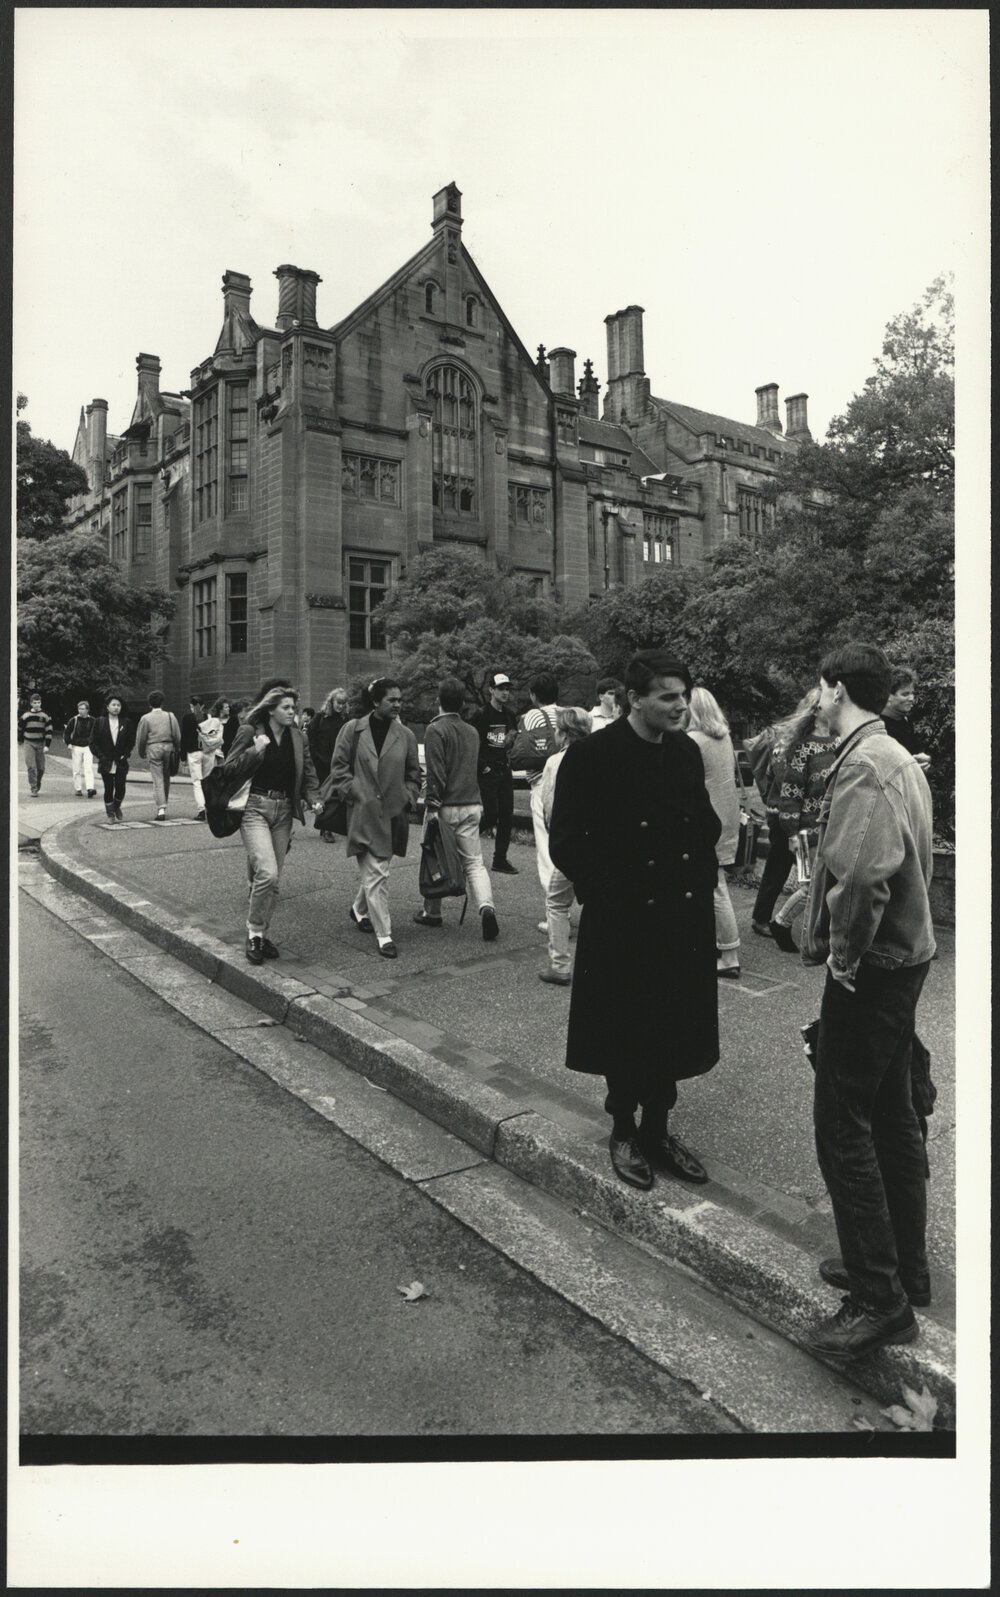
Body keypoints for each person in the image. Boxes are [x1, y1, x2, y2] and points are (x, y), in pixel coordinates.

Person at [800, 643, 936, 1362]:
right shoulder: (896, 754)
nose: (815, 704)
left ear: (838, 689)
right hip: (905, 961)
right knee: (890, 1114)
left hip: (874, 967)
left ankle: (878, 1299)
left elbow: (857, 879)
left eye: (819, 692)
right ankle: (901, 1270)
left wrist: (843, 963)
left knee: (842, 1124)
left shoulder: (863, 764)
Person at [549, 649, 720, 1190]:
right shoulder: (593, 756)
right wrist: (610, 894)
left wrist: (700, 879)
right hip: (623, 922)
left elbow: (704, 825)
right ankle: (624, 1128)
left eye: (683, 695)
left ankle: (659, 1129)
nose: (679, 706)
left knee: (671, 1026)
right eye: (667, 697)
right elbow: (567, 843)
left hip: (680, 916)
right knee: (626, 1028)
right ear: (634, 700)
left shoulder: (686, 753)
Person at [221, 685, 324, 965]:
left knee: (274, 879)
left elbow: (309, 771)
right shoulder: (249, 730)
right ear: (271, 709)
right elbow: (229, 767)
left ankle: (262, 934)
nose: (292, 712)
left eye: (294, 708)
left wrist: (313, 798)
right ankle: (254, 932)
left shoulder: (297, 737)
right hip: (254, 807)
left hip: (284, 811)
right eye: (286, 708)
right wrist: (256, 751)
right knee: (266, 873)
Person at [328, 678, 422, 960]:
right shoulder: (352, 730)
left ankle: (359, 909)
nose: (397, 704)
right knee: (378, 873)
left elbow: (414, 773)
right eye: (391, 699)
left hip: (393, 814)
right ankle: (384, 934)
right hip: (364, 813)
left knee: (376, 869)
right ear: (375, 701)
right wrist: (353, 792)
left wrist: (409, 795)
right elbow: (339, 767)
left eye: (399, 700)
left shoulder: (405, 735)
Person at [413, 676, 500, 941]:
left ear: (438, 701)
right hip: (472, 803)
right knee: (474, 862)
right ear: (462, 703)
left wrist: (431, 805)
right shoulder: (471, 731)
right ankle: (486, 906)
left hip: (446, 805)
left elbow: (436, 774)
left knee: (434, 856)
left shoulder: (435, 730)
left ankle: (433, 911)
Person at [747, 687, 821, 938]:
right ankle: (767, 919)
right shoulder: (798, 744)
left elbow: (770, 777)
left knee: (781, 867)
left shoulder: (785, 739)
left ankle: (766, 917)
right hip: (791, 818)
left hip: (778, 812)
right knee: (790, 870)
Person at [767, 699, 838, 952]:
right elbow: (791, 792)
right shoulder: (803, 748)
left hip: (834, 827)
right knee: (809, 887)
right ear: (817, 709)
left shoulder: (840, 741)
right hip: (808, 831)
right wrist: (792, 832)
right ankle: (781, 922)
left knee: (829, 885)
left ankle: (823, 937)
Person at [686, 686, 742, 979]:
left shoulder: (693, 740)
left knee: (715, 887)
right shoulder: (724, 737)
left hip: (705, 822)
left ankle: (729, 952)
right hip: (727, 818)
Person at [536, 707, 592, 985]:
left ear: (564, 733)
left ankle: (559, 965)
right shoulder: (601, 757)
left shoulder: (555, 762)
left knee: (556, 901)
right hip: (597, 841)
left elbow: (549, 807)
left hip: (571, 844)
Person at [520, 671, 561, 926]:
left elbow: (523, 751)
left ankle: (555, 915)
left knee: (546, 849)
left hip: (542, 782)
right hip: (568, 781)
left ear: (534, 695)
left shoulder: (532, 715)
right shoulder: (570, 714)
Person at [470, 670, 519, 874]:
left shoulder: (509, 715)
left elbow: (513, 737)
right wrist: (484, 766)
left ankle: (500, 859)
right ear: (491, 690)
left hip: (504, 769)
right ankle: (463, 842)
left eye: (507, 689)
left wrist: (512, 742)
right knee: (491, 815)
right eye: (501, 689)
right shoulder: (481, 714)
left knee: (507, 815)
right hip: (487, 772)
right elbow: (473, 743)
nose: (505, 693)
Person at [308, 688, 350, 842]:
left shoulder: (346, 720)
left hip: (339, 762)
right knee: (324, 795)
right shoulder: (320, 718)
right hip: (322, 762)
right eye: (338, 703)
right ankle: (325, 827)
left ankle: (329, 825)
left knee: (336, 795)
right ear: (332, 702)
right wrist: (316, 758)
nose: (341, 706)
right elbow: (310, 739)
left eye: (343, 703)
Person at [89, 691, 136, 822]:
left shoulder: (126, 722)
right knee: (108, 788)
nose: (116, 707)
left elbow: (130, 741)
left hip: (120, 761)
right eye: (113, 705)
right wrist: (101, 756)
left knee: (121, 788)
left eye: (118, 705)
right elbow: (93, 742)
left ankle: (116, 806)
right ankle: (110, 814)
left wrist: (125, 754)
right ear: (107, 707)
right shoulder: (99, 722)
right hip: (106, 760)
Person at [135, 691, 181, 820]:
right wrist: (177, 749)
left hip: (154, 748)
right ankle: (164, 804)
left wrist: (141, 751)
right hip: (169, 747)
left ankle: (161, 808)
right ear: (162, 702)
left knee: (157, 778)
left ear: (150, 704)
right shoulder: (170, 716)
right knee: (166, 777)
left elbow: (141, 737)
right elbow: (177, 735)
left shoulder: (146, 718)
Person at [880, 667, 931, 770]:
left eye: (912, 693)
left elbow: (915, 752)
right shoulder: (879, 727)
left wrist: (925, 760)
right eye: (905, 694)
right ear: (888, 696)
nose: (912, 698)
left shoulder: (904, 721)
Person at [18, 692, 53, 797]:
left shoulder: (45, 716)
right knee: (31, 767)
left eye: (38, 702)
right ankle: (34, 788)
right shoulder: (26, 716)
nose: (37, 704)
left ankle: (37, 783)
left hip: (40, 743)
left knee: (41, 768)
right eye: (35, 702)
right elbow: (20, 728)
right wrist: (20, 739)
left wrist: (47, 745)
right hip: (29, 743)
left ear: (41, 703)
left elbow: (49, 731)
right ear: (31, 703)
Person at [179, 695, 208, 820]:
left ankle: (202, 809)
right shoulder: (208, 717)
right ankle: (210, 807)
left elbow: (184, 738)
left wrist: (182, 756)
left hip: (193, 752)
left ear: (191, 706)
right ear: (203, 706)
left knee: (197, 782)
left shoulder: (187, 718)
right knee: (207, 780)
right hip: (207, 752)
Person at [63, 699, 97, 798]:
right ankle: (78, 788)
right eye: (79, 708)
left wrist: (94, 744)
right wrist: (68, 742)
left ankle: (90, 788)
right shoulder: (74, 720)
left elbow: (96, 733)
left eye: (83, 709)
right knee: (77, 768)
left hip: (88, 746)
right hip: (76, 746)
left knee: (88, 768)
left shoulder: (92, 720)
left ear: (87, 710)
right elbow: (67, 732)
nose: (81, 711)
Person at [198, 699, 228, 769]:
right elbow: (199, 729)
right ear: (220, 709)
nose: (228, 708)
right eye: (226, 707)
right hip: (214, 752)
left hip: (223, 752)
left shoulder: (228, 721)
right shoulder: (213, 720)